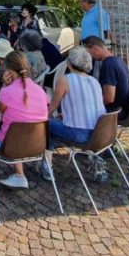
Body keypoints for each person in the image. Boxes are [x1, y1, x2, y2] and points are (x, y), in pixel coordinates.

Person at [0, 51, 49, 189]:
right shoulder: (39, 90)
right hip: (38, 144)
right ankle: (19, 175)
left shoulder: (7, 91)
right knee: (18, 126)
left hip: (11, 145)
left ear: (8, 69)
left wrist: (5, 85)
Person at [47, 46, 107, 182]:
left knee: (46, 124)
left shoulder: (66, 79)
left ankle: (47, 166)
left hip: (79, 134)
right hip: (99, 133)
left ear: (69, 63)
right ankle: (92, 157)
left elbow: (53, 105)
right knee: (56, 123)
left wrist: (45, 116)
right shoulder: (94, 81)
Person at [83, 36, 129, 120]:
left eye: (89, 52)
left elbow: (109, 98)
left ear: (95, 48)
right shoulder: (118, 60)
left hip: (116, 111)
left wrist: (92, 104)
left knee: (82, 114)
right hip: (126, 109)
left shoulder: (108, 65)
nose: (90, 57)